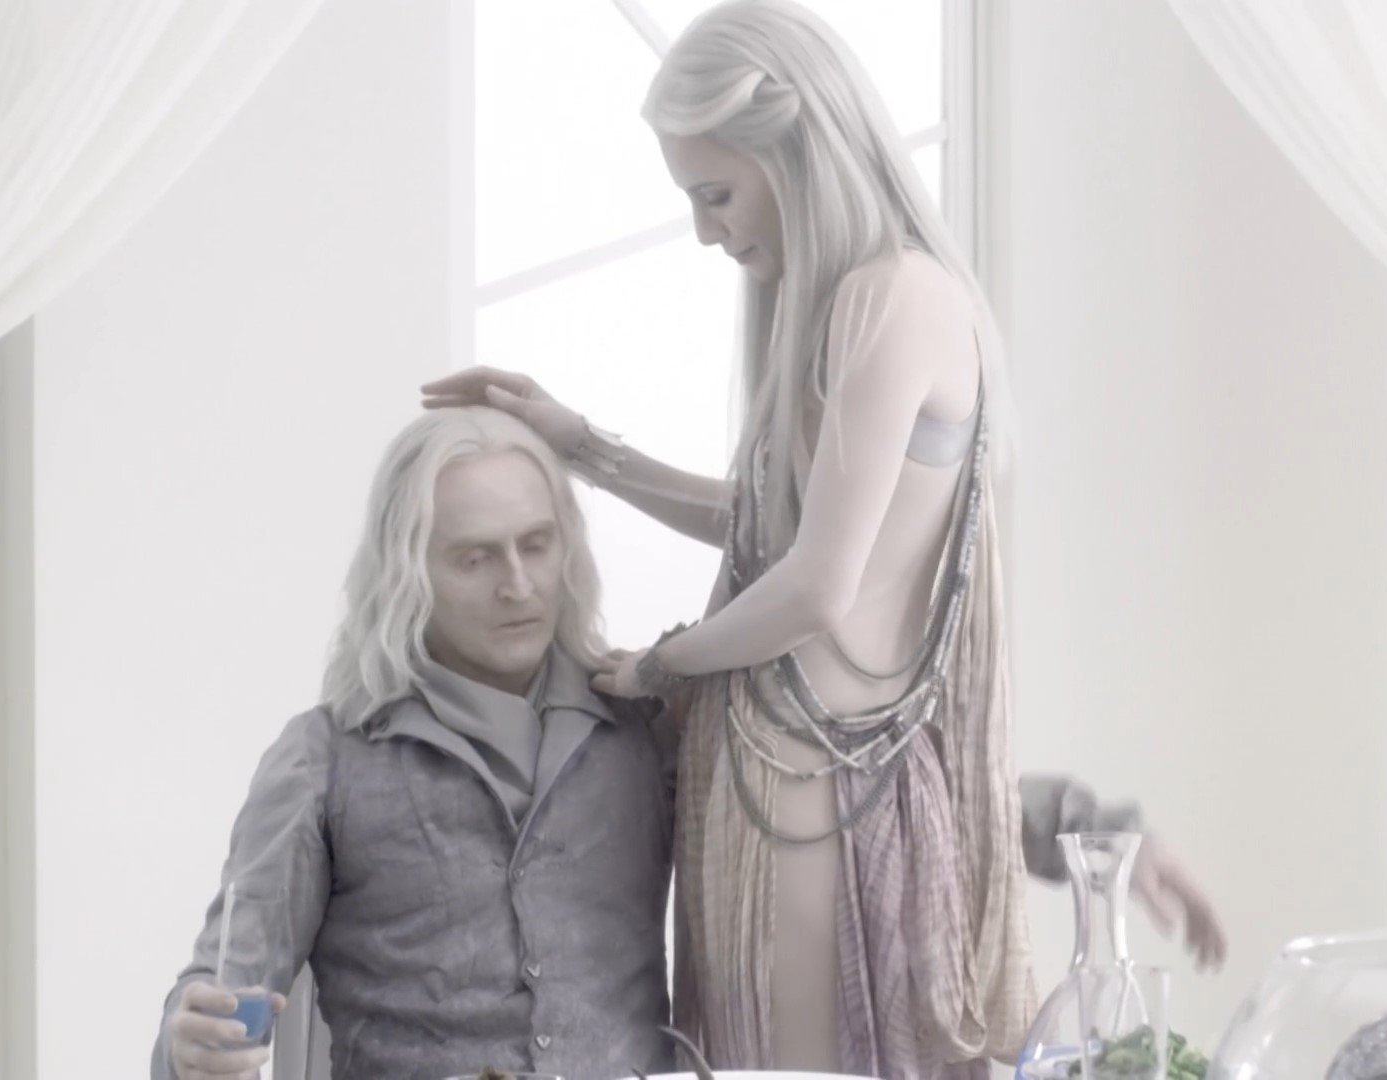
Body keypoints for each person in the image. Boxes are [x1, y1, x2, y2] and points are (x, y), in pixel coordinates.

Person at [421, 2, 1223, 1076]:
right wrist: (585, 447)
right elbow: (769, 529)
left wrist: (661, 665)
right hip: (786, 795)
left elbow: (815, 586)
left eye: (716, 194)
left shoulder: (893, 297)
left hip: (815, 799)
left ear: (795, 148)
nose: (706, 231)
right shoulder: (856, 303)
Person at [153, 406, 1220, 1080]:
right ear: (407, 572)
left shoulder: (647, 720)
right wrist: (188, 1043)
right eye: (475, 557)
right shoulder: (324, 760)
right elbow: (217, 988)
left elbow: (867, 793)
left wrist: (1093, 836)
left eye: (537, 545)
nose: (518, 583)